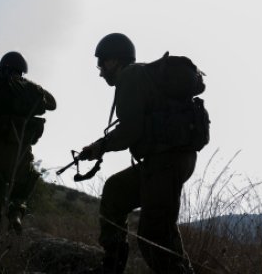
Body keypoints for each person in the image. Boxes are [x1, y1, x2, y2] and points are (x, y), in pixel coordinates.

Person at [79, 33, 197, 274]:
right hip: (169, 160)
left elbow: (130, 131)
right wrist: (98, 147)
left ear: (115, 60)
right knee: (115, 191)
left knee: (154, 235)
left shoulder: (130, 76)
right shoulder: (141, 75)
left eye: (102, 63)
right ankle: (111, 266)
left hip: (166, 162)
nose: (100, 71)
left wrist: (98, 148)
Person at [0, 51, 57, 233]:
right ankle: (16, 216)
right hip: (21, 149)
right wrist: (32, 86)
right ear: (22, 70)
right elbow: (52, 103)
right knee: (20, 189)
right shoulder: (31, 90)